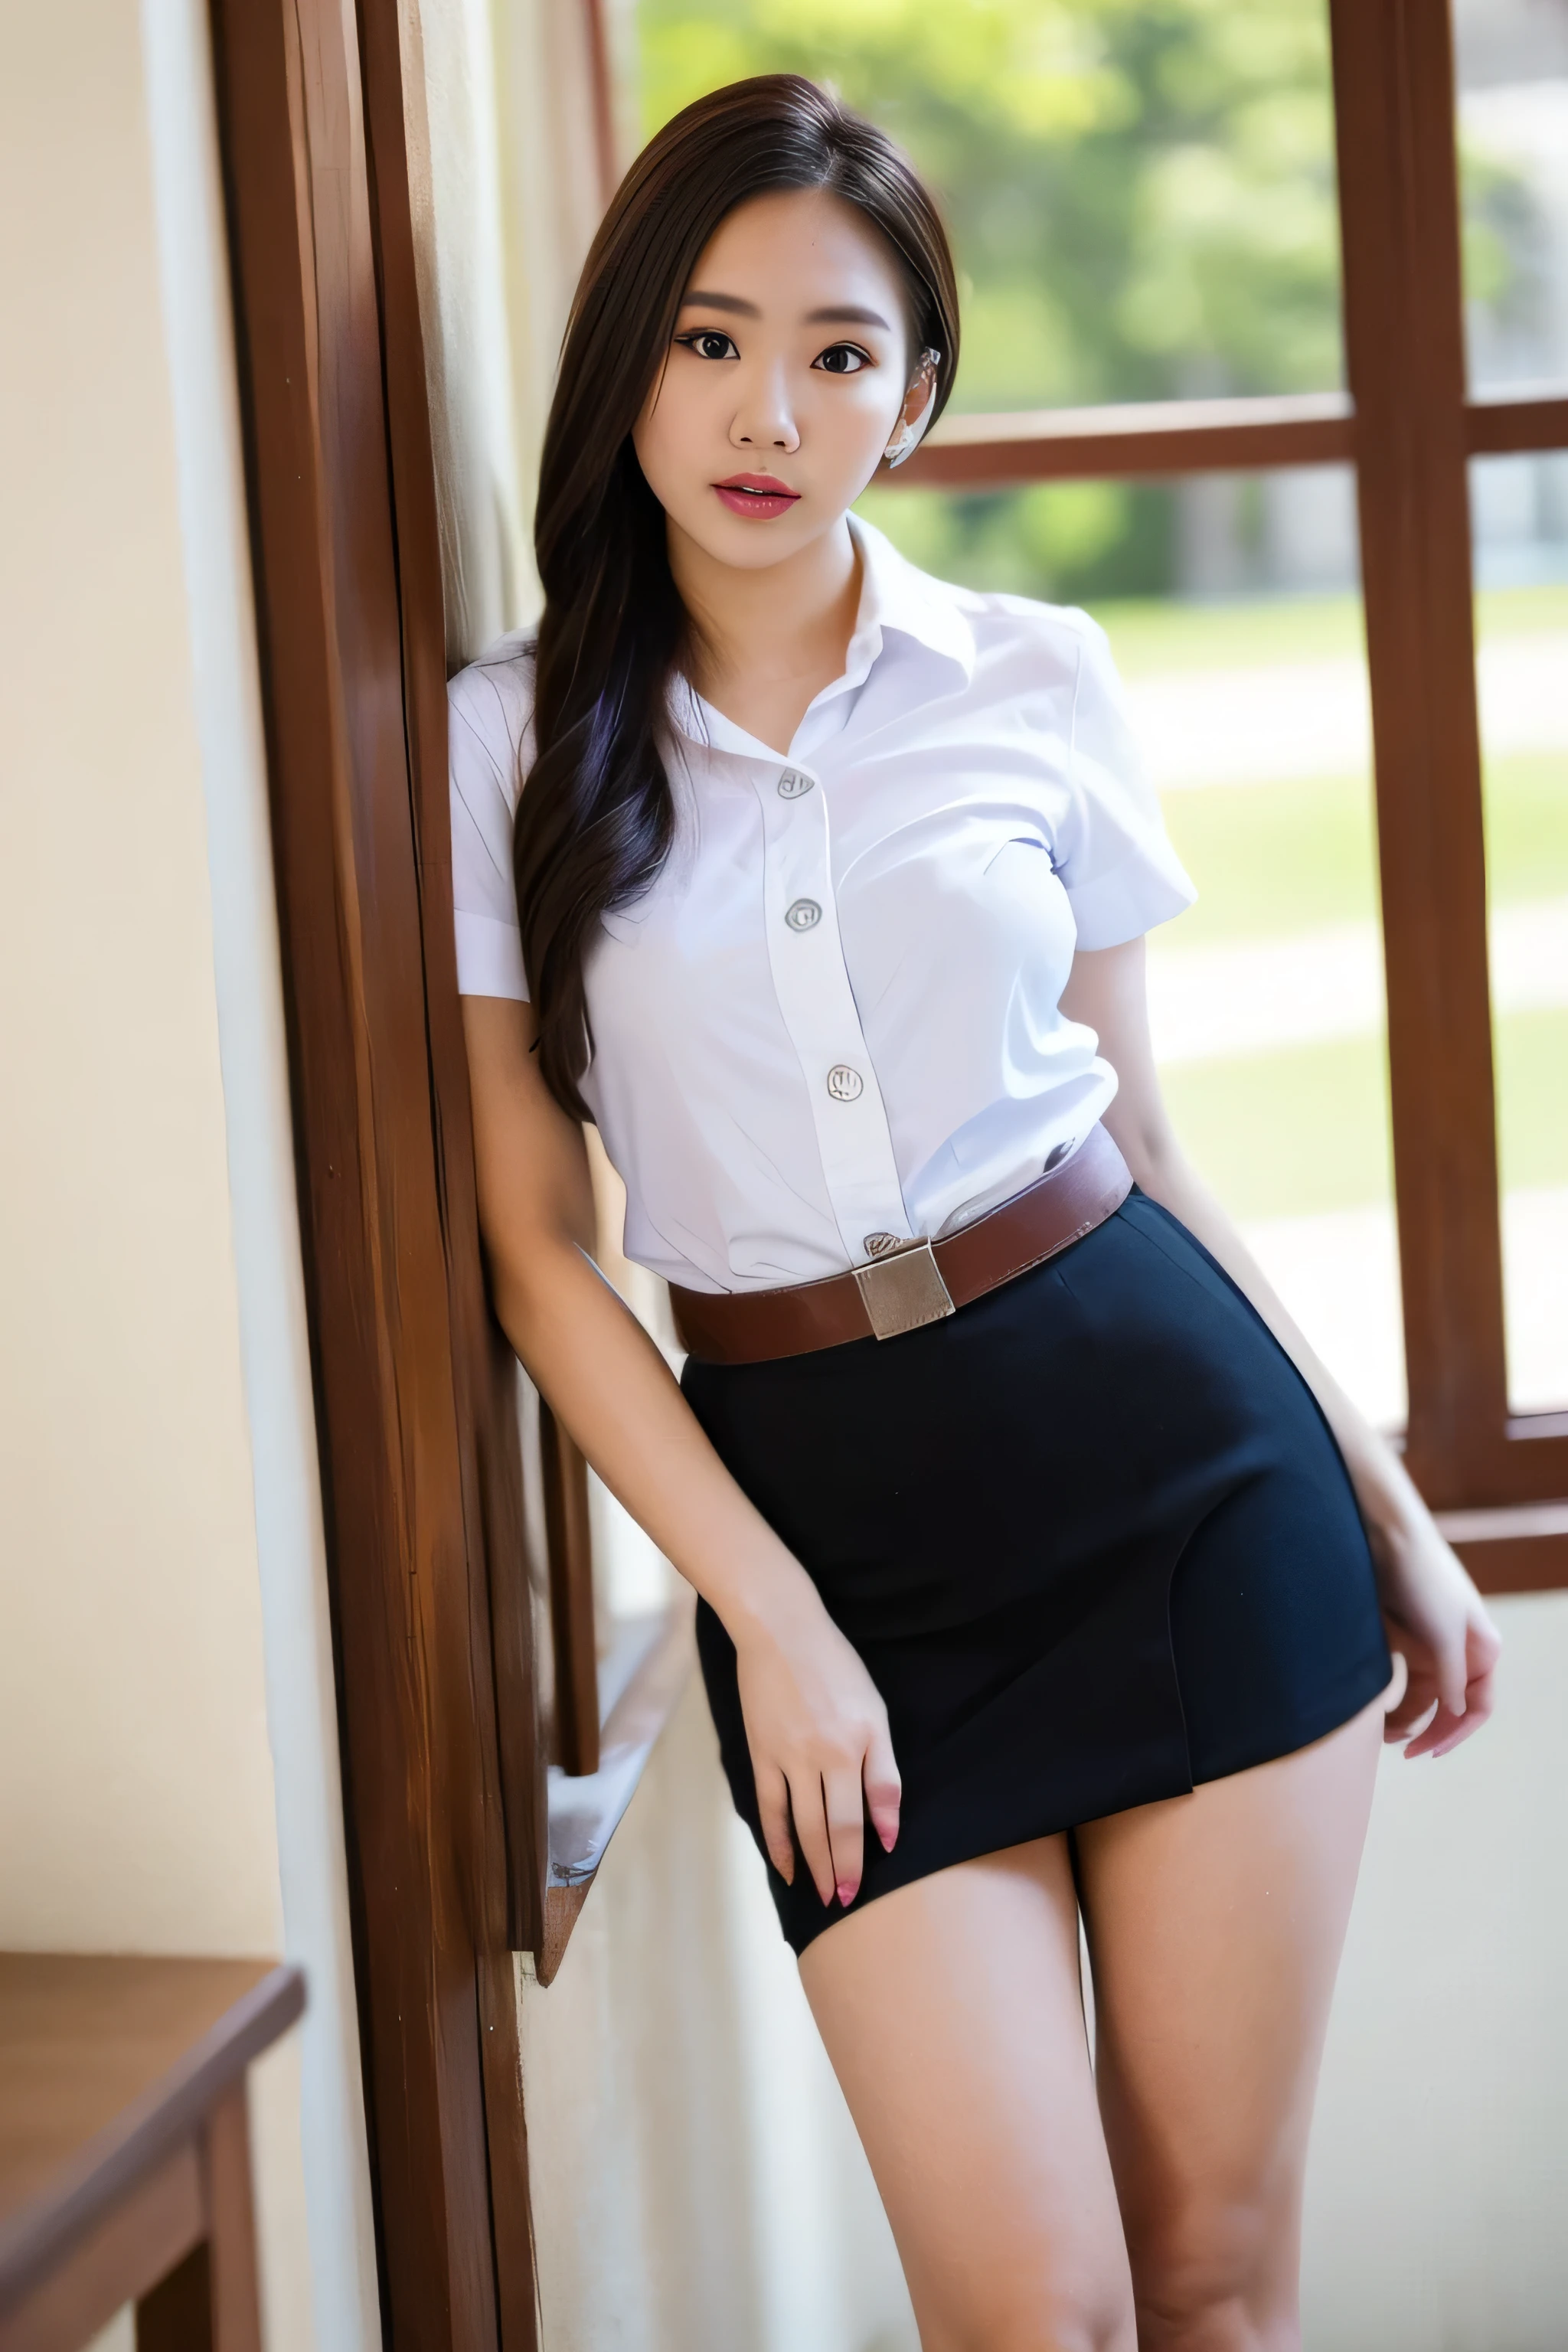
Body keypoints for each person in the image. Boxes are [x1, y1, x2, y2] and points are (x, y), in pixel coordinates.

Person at [449, 74, 1500, 2352]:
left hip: (1188, 1480)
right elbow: (543, 1249)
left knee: (1214, 2290)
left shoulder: (1042, 679)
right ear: (627, 356)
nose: (767, 407)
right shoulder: (506, 744)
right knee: (1036, 2316)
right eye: (712, 338)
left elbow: (1152, 1143)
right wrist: (771, 1623)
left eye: (839, 352)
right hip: (836, 1562)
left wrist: (1390, 1502)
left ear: (914, 399)